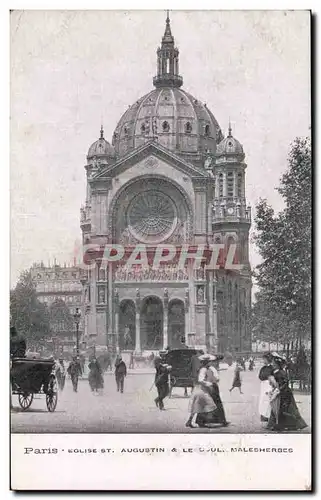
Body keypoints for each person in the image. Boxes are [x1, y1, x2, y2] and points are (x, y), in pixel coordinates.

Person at [266, 353, 307, 432]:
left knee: (284, 408)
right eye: (273, 363)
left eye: (274, 363)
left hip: (285, 392)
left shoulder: (282, 372)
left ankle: (282, 425)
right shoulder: (276, 372)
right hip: (280, 391)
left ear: (278, 364)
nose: (273, 365)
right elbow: (276, 383)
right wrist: (273, 389)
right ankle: (276, 424)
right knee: (277, 408)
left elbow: (285, 382)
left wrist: (279, 390)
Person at [186, 354, 219, 428]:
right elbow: (200, 380)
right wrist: (208, 384)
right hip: (201, 390)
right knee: (209, 405)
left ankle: (190, 421)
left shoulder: (204, 369)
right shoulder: (204, 369)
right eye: (209, 361)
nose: (210, 363)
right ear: (207, 362)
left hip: (198, 389)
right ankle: (202, 421)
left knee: (198, 406)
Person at [207, 355, 229, 426]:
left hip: (213, 386)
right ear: (212, 362)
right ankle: (222, 421)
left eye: (218, 362)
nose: (217, 363)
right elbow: (212, 379)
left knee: (213, 403)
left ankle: (220, 420)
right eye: (216, 362)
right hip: (212, 386)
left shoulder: (213, 368)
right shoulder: (211, 368)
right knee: (217, 404)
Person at [258, 353, 274, 422]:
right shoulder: (263, 368)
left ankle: (268, 415)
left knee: (268, 400)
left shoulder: (272, 368)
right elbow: (260, 376)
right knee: (262, 400)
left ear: (268, 359)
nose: (263, 360)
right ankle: (263, 414)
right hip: (263, 385)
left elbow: (271, 376)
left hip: (269, 385)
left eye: (264, 359)